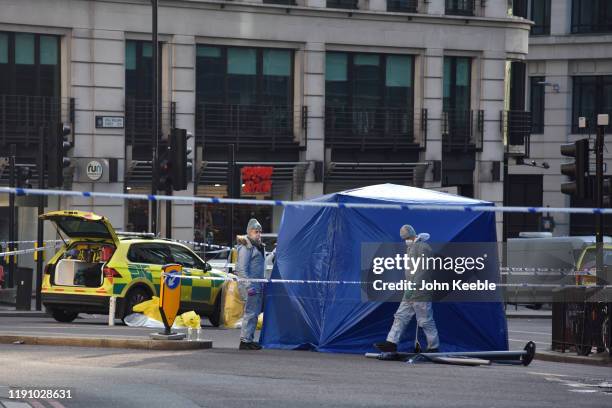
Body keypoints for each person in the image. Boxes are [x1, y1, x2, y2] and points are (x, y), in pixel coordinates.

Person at [374, 224, 440, 353]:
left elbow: (423, 269)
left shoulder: (423, 247)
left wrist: (414, 285)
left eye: (407, 238)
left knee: (425, 320)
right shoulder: (411, 247)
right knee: (401, 315)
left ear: (412, 235)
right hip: (410, 289)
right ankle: (391, 342)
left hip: (421, 290)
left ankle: (433, 347)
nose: (406, 241)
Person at [235, 218, 266, 350]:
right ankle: (245, 341)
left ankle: (249, 338)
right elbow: (241, 269)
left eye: (259, 232)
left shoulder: (256, 246)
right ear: (249, 232)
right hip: (250, 286)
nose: (258, 234)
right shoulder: (246, 247)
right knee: (250, 313)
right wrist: (248, 286)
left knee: (254, 313)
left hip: (257, 285)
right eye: (255, 231)